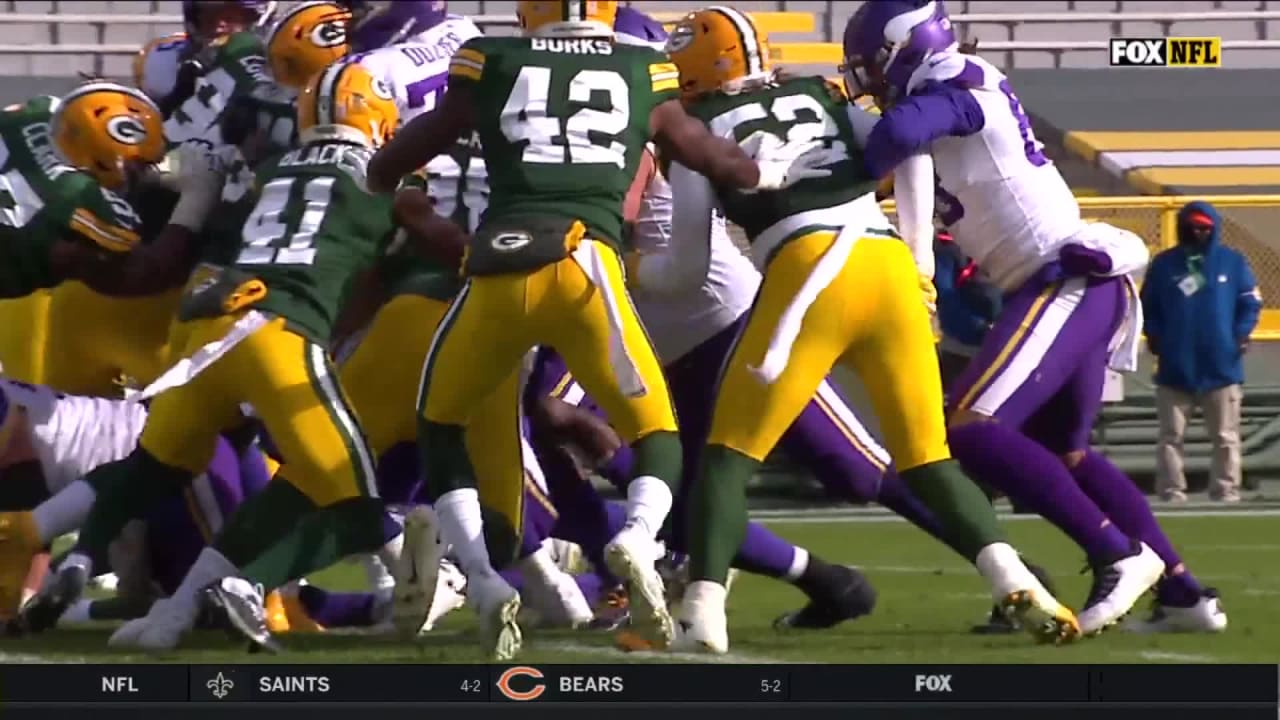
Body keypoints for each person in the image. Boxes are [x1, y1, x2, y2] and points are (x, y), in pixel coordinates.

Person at [365, 0, 831, 659]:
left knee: (440, 425)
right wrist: (769, 170)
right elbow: (706, 154)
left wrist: (391, 176)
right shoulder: (641, 64)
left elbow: (390, 166)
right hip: (589, 265)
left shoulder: (492, 60)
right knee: (656, 432)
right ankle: (638, 537)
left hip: (499, 264)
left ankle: (481, 579)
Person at [659, 5, 1078, 655]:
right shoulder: (818, 92)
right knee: (927, 459)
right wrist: (916, 253)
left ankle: (701, 616)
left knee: (724, 459)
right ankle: (1016, 580)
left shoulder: (695, 127)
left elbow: (683, 270)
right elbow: (908, 147)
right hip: (885, 264)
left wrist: (628, 262)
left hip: (809, 269)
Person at [843, 0, 1222, 637]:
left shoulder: (959, 84)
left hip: (1063, 279)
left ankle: (1118, 555)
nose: (871, 81)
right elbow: (905, 154)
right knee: (1066, 453)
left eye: (873, 67)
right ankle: (1184, 595)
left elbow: (896, 137)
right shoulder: (946, 96)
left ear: (904, 47)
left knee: (969, 428)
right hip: (1067, 285)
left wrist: (850, 128)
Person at [1143, 200, 1262, 504]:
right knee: (1171, 437)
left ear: (1214, 229)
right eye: (1191, 226)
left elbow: (1250, 303)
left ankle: (1225, 489)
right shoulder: (1164, 264)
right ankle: (1171, 491)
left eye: (1203, 228)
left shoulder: (1232, 263)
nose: (1197, 232)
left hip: (1221, 367)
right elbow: (1148, 305)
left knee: (1225, 437)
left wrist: (1239, 335)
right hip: (1175, 368)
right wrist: (1154, 334)